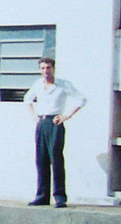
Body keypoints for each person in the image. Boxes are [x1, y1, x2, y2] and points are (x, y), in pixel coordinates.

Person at [24, 57, 85, 208]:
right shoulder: (37, 84)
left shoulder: (63, 85)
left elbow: (81, 100)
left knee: (56, 159)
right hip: (42, 123)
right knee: (41, 159)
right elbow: (28, 99)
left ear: (54, 68)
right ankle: (42, 196)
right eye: (43, 68)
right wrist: (34, 116)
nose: (46, 71)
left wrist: (67, 116)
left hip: (55, 123)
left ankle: (59, 197)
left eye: (48, 68)